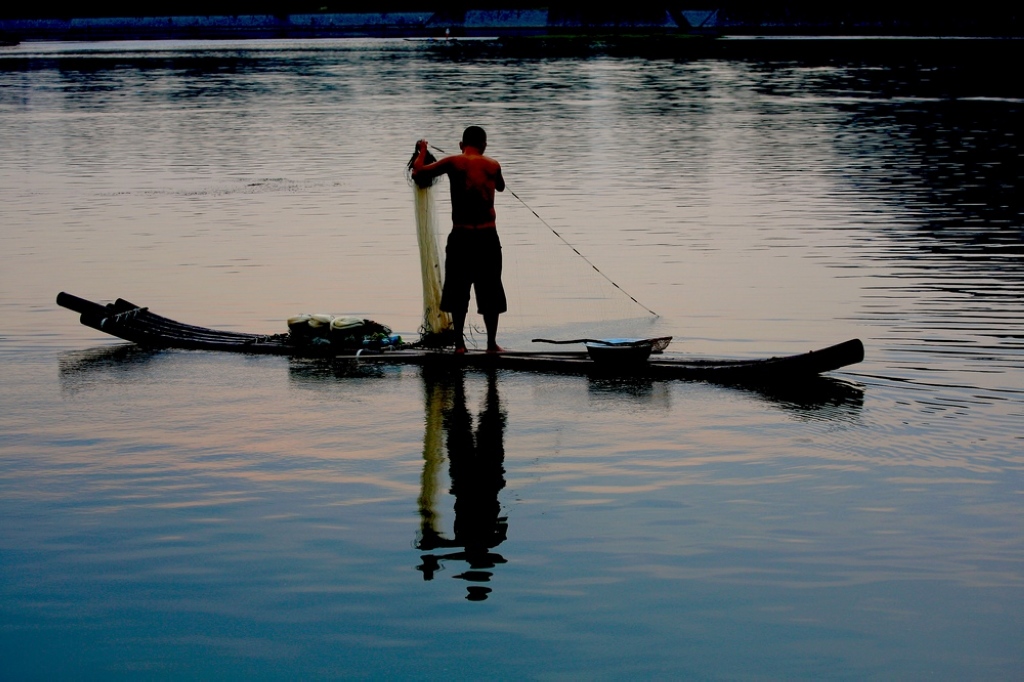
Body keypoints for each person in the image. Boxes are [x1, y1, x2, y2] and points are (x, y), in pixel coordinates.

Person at [412, 126, 506, 354]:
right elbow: (501, 187)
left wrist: (422, 150)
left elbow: (418, 173)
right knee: (490, 289)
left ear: (461, 144)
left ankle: (460, 345)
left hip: (462, 237)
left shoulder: (453, 162)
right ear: (484, 145)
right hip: (487, 236)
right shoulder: (493, 164)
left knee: (458, 289)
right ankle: (491, 344)